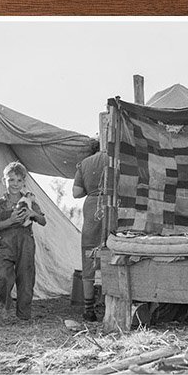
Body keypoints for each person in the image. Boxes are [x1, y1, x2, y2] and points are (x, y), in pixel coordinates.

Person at [0, 162, 46, 321]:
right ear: (4, 180)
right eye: (11, 180)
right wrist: (11, 220)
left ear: (24, 182)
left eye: (19, 180)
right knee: (2, 274)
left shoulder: (29, 201)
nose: (15, 184)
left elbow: (43, 221)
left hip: (25, 243)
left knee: (26, 277)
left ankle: (23, 315)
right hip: (6, 245)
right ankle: (6, 306)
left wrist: (32, 213)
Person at [72, 137, 106, 321]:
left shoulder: (85, 163)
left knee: (89, 256)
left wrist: (91, 187)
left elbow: (76, 192)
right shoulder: (119, 158)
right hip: (114, 208)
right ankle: (110, 306)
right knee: (112, 254)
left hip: (93, 209)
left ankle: (89, 310)